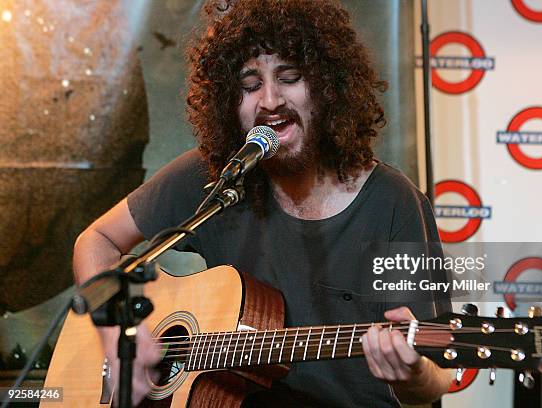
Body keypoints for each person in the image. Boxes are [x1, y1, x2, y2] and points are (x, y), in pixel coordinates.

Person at [73, 0, 453, 406]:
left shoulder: (393, 203)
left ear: (326, 88)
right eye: (250, 85)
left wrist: (412, 371)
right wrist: (117, 339)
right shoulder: (214, 180)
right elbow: (96, 240)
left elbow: (437, 376)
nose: (269, 100)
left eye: (289, 77)